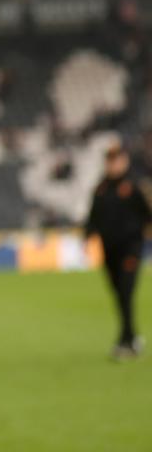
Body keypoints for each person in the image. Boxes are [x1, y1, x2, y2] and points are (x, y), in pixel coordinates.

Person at [84, 143, 152, 359]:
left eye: (116, 159)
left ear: (125, 160)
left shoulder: (134, 186)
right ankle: (130, 337)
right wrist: (87, 237)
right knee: (118, 293)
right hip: (109, 250)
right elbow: (92, 219)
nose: (113, 164)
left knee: (125, 290)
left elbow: (147, 214)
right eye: (110, 160)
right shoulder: (100, 189)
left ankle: (126, 339)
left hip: (130, 248)